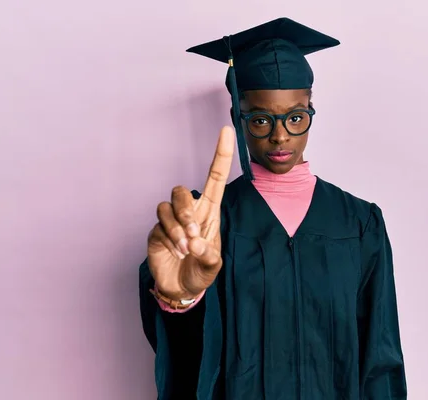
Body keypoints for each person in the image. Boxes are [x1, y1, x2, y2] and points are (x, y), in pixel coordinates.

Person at [139, 17, 407, 400]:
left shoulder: (359, 222)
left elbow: (380, 357)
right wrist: (182, 301)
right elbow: (190, 361)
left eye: (295, 118)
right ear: (239, 118)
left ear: (311, 112)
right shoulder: (206, 224)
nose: (280, 136)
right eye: (261, 120)